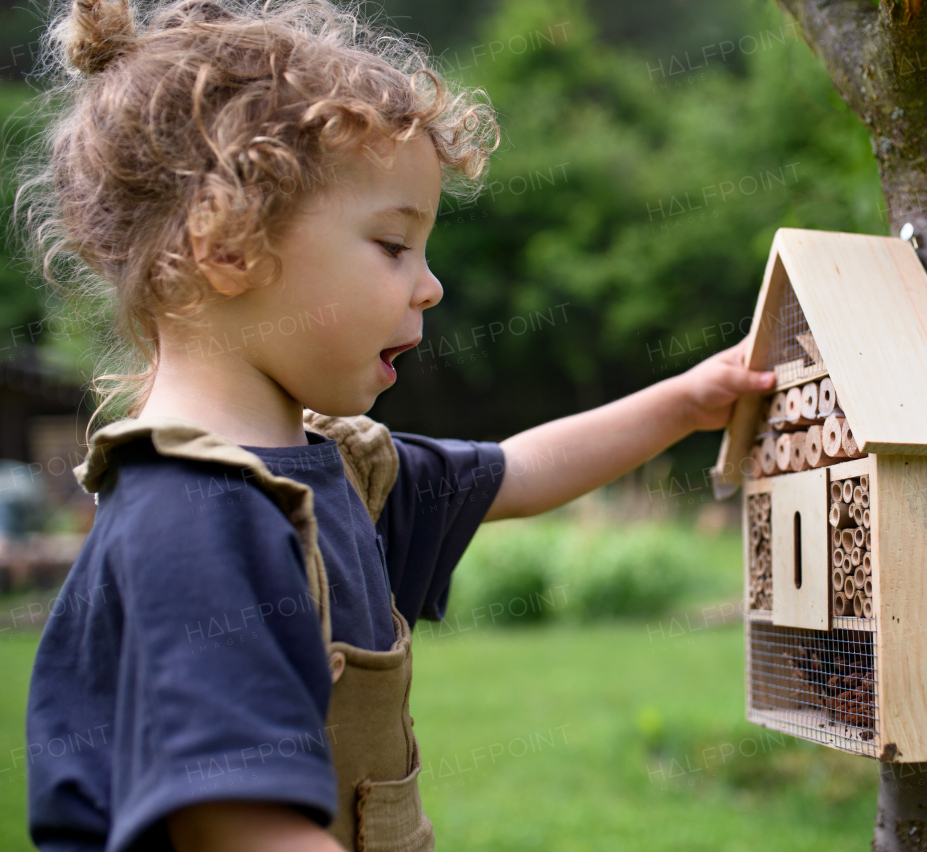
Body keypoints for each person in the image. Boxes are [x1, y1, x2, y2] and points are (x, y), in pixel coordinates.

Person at [20, 1, 774, 850]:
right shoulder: (194, 517)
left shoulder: (325, 470)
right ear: (226, 246)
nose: (431, 287)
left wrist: (686, 401)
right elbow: (244, 827)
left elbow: (515, 473)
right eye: (391, 245)